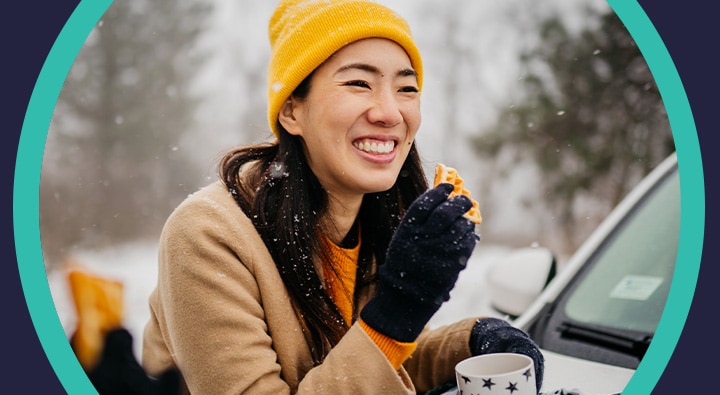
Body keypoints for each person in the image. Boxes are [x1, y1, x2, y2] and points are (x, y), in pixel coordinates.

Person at [141, 0, 544, 394]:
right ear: (292, 111)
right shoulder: (207, 234)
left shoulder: (375, 217)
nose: (389, 112)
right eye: (358, 83)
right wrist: (399, 309)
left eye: (407, 88)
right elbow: (377, 344)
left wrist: (471, 341)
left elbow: (380, 361)